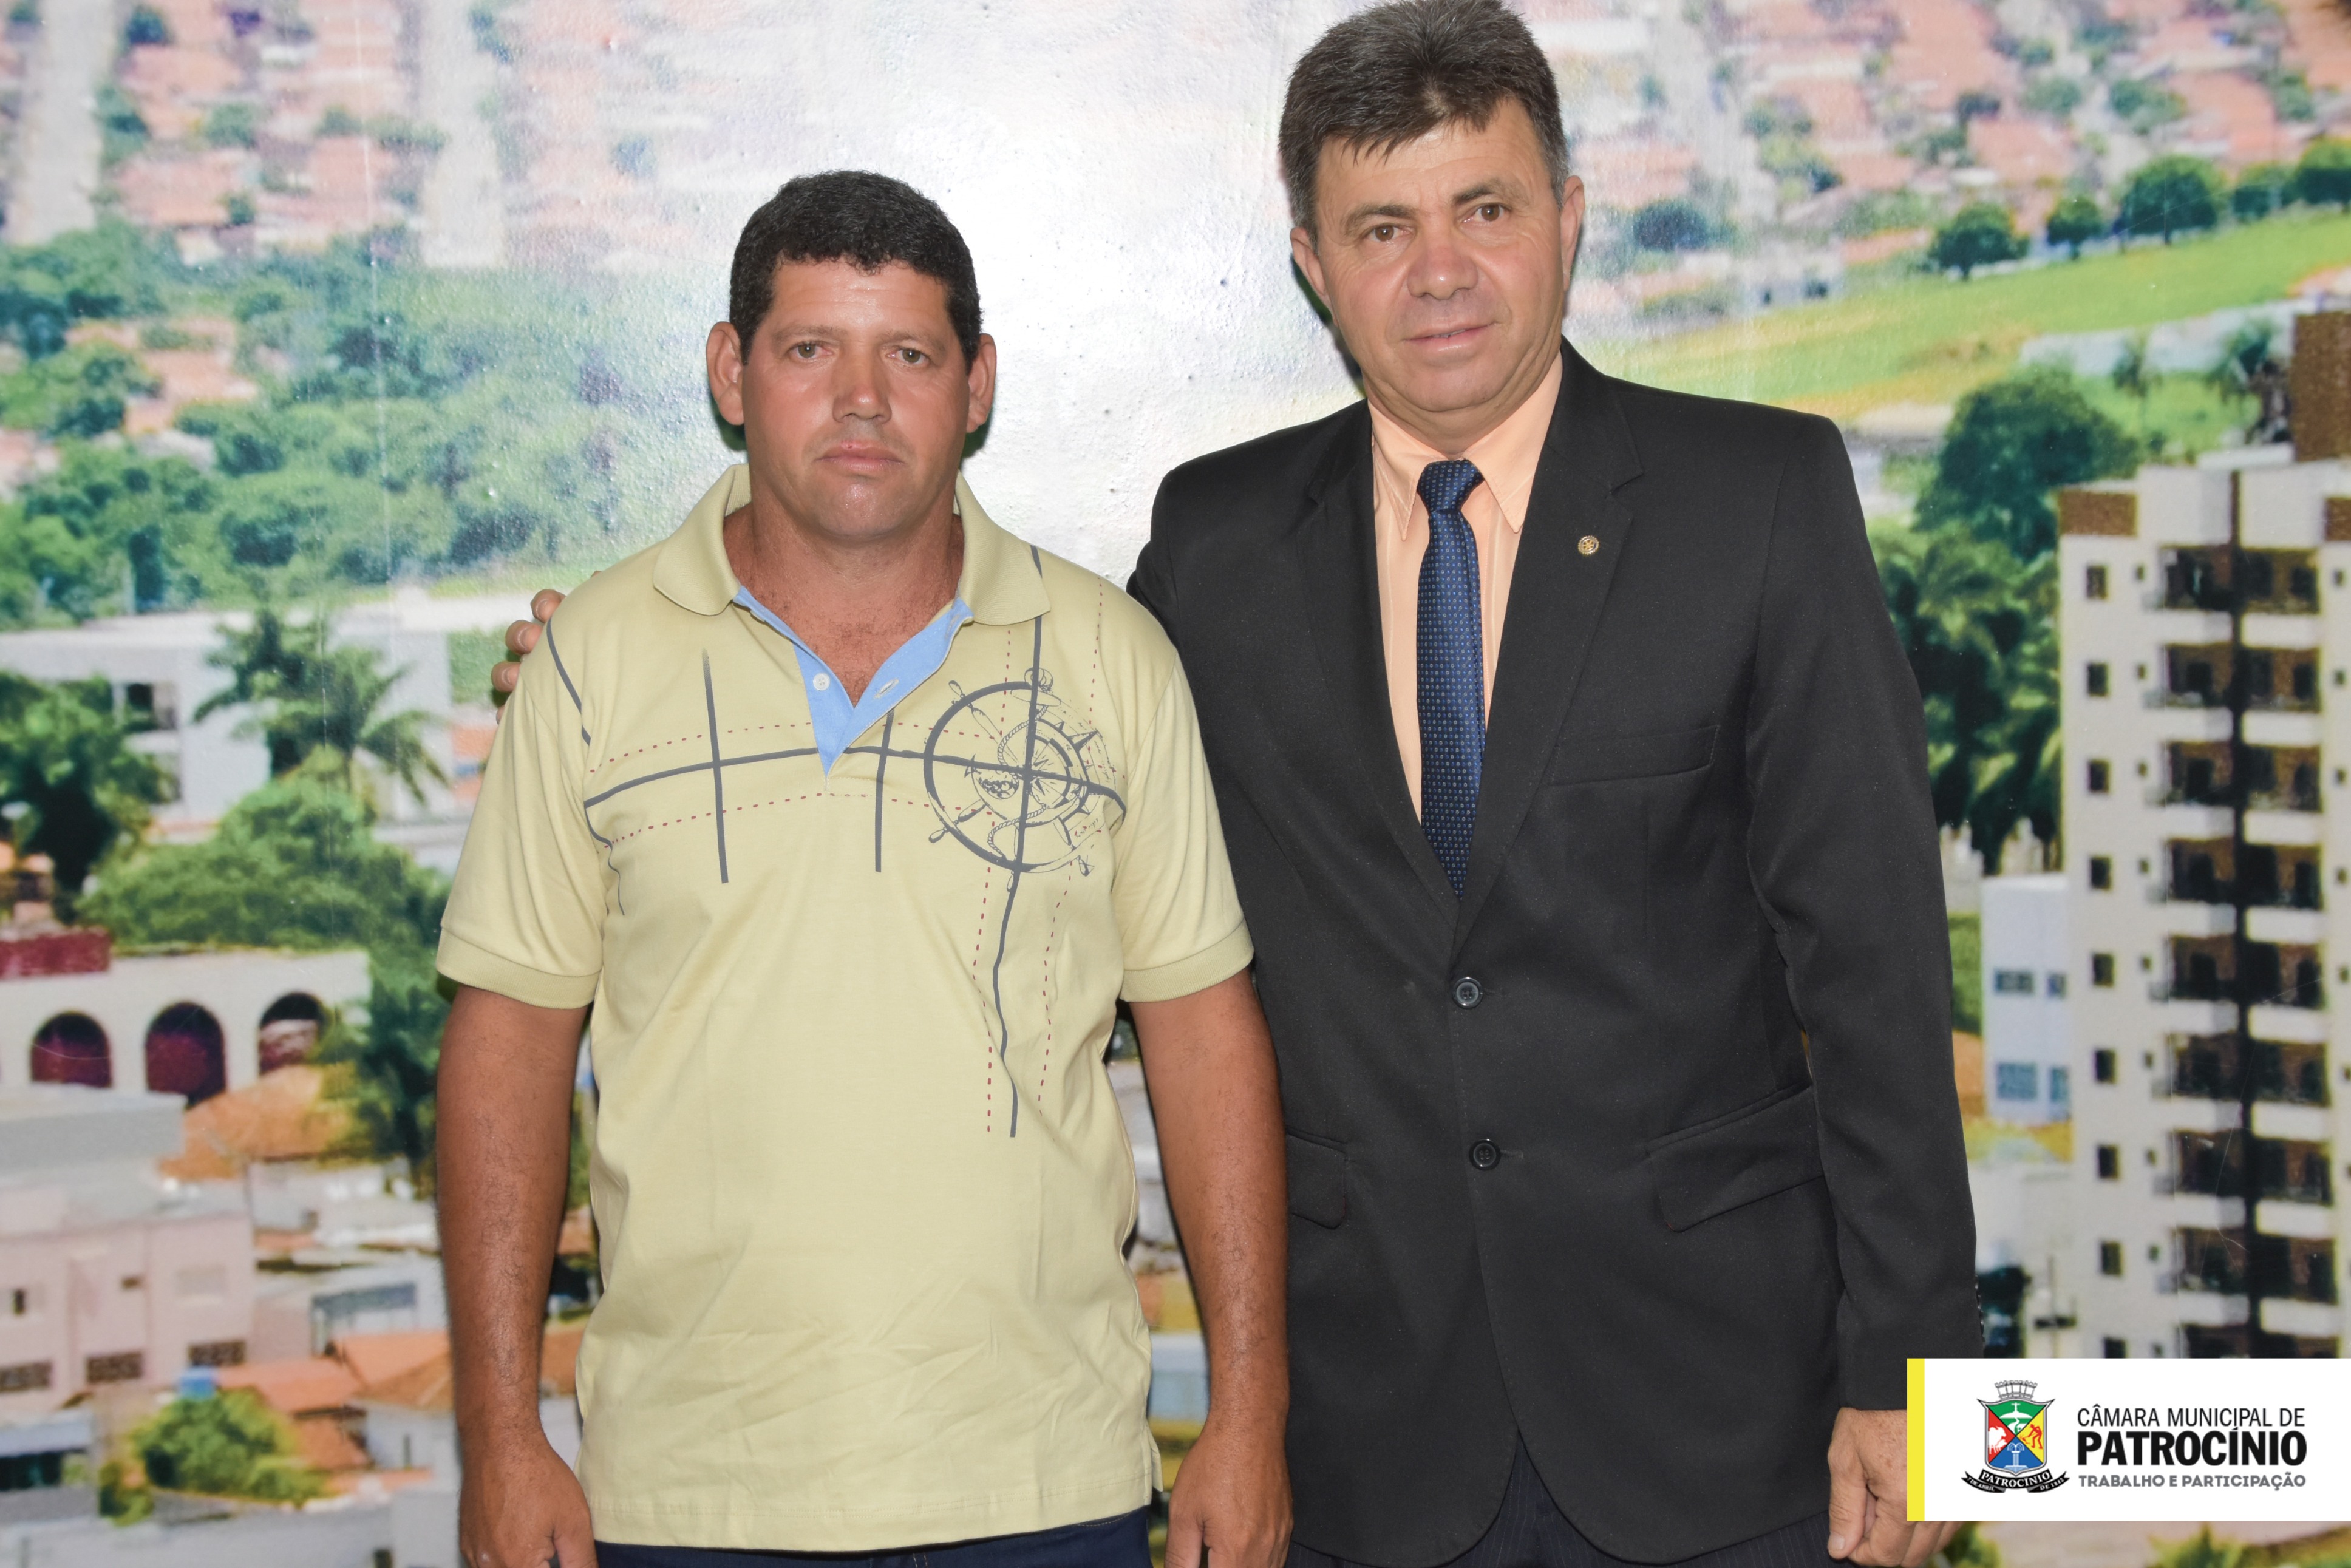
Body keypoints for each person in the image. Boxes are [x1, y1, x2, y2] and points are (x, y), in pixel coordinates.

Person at [498, 6, 1979, 1563]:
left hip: (1720, 1402)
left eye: (1485, 209)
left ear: (1569, 218)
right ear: (1311, 261)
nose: (1440, 271)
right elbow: (1010, 694)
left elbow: (1872, 964)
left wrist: (1914, 1374)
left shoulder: (1759, 497)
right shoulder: (1219, 544)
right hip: (1366, 1434)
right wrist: (629, 651)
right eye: (1382, 228)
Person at [440, 171, 1291, 1568]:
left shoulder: (1111, 658)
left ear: (976, 383)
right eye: (808, 349)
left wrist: (1249, 1412)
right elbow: (507, 1050)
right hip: (686, 1498)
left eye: (907, 353)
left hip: (1042, 1482)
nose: (859, 400)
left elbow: (1204, 1037)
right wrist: (500, 1433)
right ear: (731, 371)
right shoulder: (592, 660)